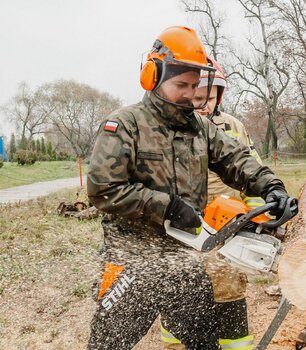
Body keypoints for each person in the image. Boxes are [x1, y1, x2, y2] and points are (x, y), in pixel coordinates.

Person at [87, 25, 294, 350]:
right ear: (153, 77)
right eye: (179, 85)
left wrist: (271, 186)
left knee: (203, 342)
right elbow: (102, 189)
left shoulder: (200, 128)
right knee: (108, 344)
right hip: (133, 260)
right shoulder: (125, 124)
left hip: (186, 259)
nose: (188, 93)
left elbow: (235, 159)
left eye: (193, 85)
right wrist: (165, 206)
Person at [160, 59, 264, 350]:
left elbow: (250, 169)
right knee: (180, 290)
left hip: (228, 226)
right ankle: (177, 343)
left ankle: (235, 345)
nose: (200, 102)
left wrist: (255, 216)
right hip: (181, 227)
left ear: (219, 95)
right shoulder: (165, 129)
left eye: (208, 94)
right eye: (194, 94)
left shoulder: (232, 127)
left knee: (228, 288)